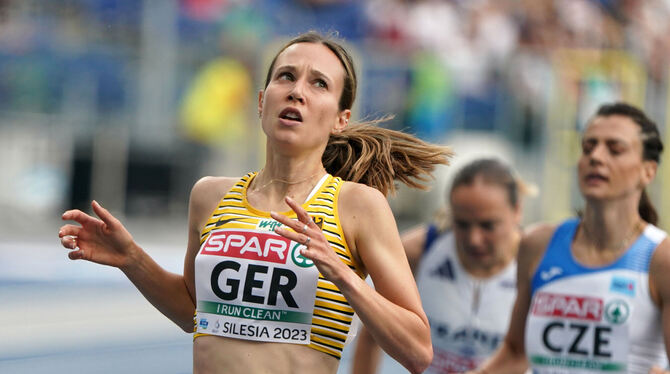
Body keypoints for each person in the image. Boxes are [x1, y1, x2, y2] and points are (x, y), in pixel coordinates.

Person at [58, 31, 453, 374]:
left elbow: (418, 352)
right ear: (262, 101)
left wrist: (343, 274)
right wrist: (133, 260)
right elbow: (196, 314)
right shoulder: (210, 196)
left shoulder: (357, 206)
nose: (297, 90)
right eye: (286, 76)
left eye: (319, 84)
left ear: (340, 119)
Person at [470, 102, 670, 374]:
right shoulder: (537, 245)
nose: (596, 157)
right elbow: (515, 354)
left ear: (648, 171)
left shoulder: (661, 259)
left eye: (615, 149)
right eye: (588, 147)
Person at [352, 158, 529, 373]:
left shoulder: (536, 264)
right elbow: (372, 337)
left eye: (488, 225)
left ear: (517, 210)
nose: (474, 239)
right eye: (462, 224)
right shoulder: (420, 251)